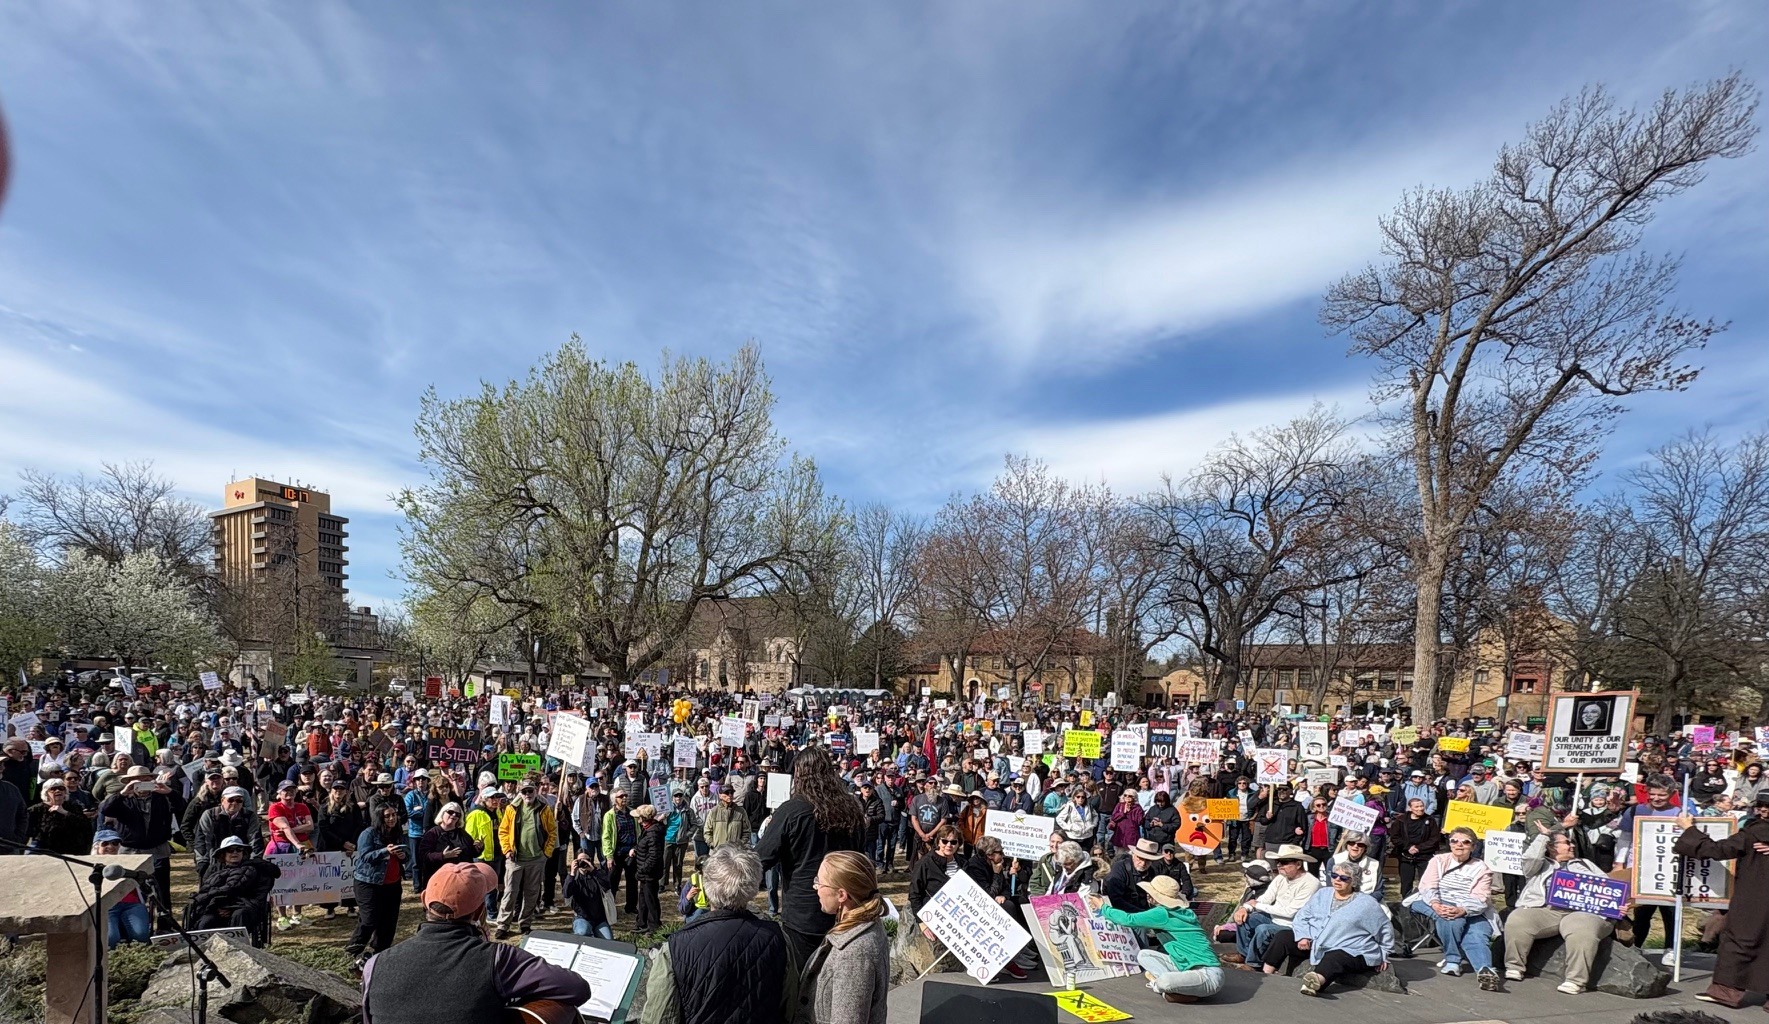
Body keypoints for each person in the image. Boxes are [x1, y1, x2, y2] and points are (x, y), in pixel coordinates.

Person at [360, 861, 590, 1024]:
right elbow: (577, 989)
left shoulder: (375, 965)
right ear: (480, 911)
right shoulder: (499, 959)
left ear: (423, 901)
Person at [644, 845, 799, 1024]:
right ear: (754, 886)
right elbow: (790, 1005)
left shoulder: (675, 947)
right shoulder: (778, 938)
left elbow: (658, 1017)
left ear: (707, 886)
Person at [756, 747, 867, 967]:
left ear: (799, 774)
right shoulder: (852, 807)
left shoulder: (792, 811)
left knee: (804, 986)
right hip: (845, 912)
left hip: (804, 916)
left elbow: (760, 858)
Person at [1672, 794, 1769, 1009]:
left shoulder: (1755, 831)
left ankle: (1726, 991)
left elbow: (1716, 850)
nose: (1764, 811)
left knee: (1741, 938)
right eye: (1761, 806)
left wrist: (1689, 829)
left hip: (1755, 895)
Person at [1501, 827, 1614, 994]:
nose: (1572, 846)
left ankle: (1576, 980)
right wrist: (1544, 835)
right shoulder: (1539, 866)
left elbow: (1607, 888)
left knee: (1581, 928)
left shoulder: (1585, 864)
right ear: (1551, 847)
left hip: (1582, 912)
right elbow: (1530, 858)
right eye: (1567, 843)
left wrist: (1615, 904)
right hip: (1546, 909)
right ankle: (1514, 966)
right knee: (1518, 919)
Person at [1090, 874, 1222, 1003]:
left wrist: (1103, 907)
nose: (1147, 896)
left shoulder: (1162, 913)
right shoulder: (1182, 911)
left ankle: (1162, 987)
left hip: (1207, 974)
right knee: (1143, 955)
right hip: (1187, 966)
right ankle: (1179, 989)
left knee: (1164, 981)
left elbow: (1128, 919)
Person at [796, 850, 890, 1024]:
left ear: (841, 895)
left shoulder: (855, 953)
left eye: (820, 882)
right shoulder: (863, 925)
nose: (815, 887)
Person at [1405, 825, 1500, 987]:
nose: (1459, 845)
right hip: (1431, 901)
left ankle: (1485, 970)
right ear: (1449, 843)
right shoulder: (1439, 860)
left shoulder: (1482, 868)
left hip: (1470, 907)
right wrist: (1436, 904)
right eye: (1454, 841)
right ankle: (1453, 959)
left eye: (1465, 842)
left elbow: (1481, 898)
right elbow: (1428, 886)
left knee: (1477, 934)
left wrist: (1463, 910)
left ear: (1473, 846)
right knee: (1451, 918)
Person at [1286, 860, 1395, 997]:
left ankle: (1315, 982)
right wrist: (1303, 935)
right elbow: (1302, 916)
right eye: (1334, 875)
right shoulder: (1322, 894)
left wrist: (1384, 953)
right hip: (1319, 941)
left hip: (1354, 949)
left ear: (1353, 881)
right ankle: (1267, 973)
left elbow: (1384, 928)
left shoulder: (1367, 904)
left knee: (1335, 957)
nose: (1337, 880)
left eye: (1344, 878)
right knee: (1283, 937)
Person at [1224, 844, 1320, 966]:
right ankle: (1243, 954)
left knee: (1263, 930)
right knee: (1245, 918)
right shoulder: (1280, 878)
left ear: (1298, 864)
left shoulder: (1311, 883)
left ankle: (1254, 964)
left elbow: (1290, 912)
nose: (1279, 865)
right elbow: (1265, 898)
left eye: (1284, 862)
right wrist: (1245, 908)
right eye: (1278, 861)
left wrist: (1256, 905)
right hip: (1275, 918)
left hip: (1295, 926)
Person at [493, 779, 557, 938]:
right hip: (515, 859)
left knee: (532, 893)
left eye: (530, 791)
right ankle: (503, 925)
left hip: (536, 858)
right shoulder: (511, 809)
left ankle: (525, 923)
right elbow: (503, 831)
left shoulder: (544, 809)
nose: (527, 794)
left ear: (535, 791)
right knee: (509, 893)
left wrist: (546, 853)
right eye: (524, 791)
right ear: (519, 793)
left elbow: (552, 832)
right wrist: (507, 850)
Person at [348, 802, 410, 965]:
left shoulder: (398, 833)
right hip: (368, 882)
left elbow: (408, 855)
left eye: (394, 815)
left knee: (389, 920)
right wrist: (384, 851)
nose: (391, 819)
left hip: (392, 883)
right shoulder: (368, 833)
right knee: (369, 919)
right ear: (379, 818)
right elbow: (364, 856)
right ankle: (353, 949)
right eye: (387, 816)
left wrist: (403, 855)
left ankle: (380, 951)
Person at [188, 835, 281, 943]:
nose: (235, 853)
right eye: (230, 850)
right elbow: (205, 890)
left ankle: (237, 949)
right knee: (206, 921)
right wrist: (217, 907)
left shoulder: (254, 869)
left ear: (244, 853)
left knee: (239, 914)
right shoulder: (213, 869)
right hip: (215, 906)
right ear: (223, 854)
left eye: (239, 849)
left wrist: (231, 908)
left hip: (244, 906)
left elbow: (257, 896)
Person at [93, 830, 152, 947]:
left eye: (115, 843)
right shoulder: (90, 865)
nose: (110, 847)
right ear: (97, 846)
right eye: (105, 843)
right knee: (110, 938)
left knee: (141, 935)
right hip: (106, 906)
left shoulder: (130, 862)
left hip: (132, 904)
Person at [416, 801, 481, 889]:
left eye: (457, 814)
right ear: (442, 813)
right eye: (450, 812)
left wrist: (479, 847)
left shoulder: (462, 833)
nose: (454, 815)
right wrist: (442, 856)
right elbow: (423, 855)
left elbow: (472, 853)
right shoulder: (433, 833)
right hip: (439, 880)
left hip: (462, 879)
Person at [27, 777, 94, 855]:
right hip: (44, 850)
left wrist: (64, 812)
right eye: (53, 789)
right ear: (46, 793)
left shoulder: (73, 807)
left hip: (72, 850)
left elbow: (85, 825)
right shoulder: (36, 809)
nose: (58, 790)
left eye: (61, 788)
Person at [908, 824, 963, 917]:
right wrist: (921, 921)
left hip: (958, 915)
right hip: (933, 915)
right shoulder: (925, 863)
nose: (949, 845)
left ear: (958, 844)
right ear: (938, 842)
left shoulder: (963, 863)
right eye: (945, 841)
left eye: (953, 842)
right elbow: (914, 894)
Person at [1393, 796, 1442, 897]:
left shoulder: (1430, 820)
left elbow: (1434, 839)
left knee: (1426, 882)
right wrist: (1408, 847)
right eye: (1417, 807)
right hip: (1405, 856)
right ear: (1410, 808)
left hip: (1424, 855)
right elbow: (1395, 837)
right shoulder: (1400, 820)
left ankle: (1425, 900)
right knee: (1406, 882)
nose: (1420, 809)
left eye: (1421, 806)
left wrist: (1419, 848)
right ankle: (1405, 902)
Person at [563, 852, 613, 938]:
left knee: (608, 942)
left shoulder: (597, 874)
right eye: (580, 860)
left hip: (599, 919)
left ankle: (593, 935)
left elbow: (607, 886)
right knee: (582, 934)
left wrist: (593, 871)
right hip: (582, 918)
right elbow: (566, 894)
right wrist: (572, 873)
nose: (584, 863)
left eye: (587, 860)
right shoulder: (574, 878)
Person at [632, 803, 665, 932]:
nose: (637, 820)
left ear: (644, 818)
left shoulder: (653, 833)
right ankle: (642, 923)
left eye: (639, 817)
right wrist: (636, 849)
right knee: (643, 899)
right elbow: (644, 845)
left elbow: (654, 856)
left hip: (649, 873)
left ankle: (654, 926)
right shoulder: (647, 830)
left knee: (651, 900)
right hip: (645, 873)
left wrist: (642, 870)